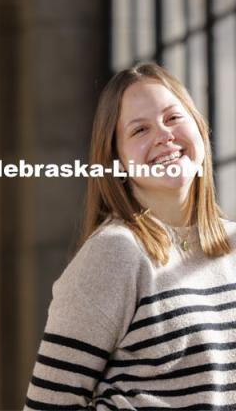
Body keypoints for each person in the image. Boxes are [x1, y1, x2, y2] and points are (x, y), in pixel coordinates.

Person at [23, 62, 236, 410]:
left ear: (199, 125)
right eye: (139, 130)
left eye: (173, 118)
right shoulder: (114, 254)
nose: (163, 135)